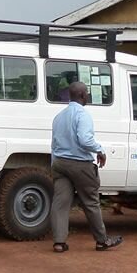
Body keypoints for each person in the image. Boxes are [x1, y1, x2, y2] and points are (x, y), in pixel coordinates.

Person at [49, 80, 122, 253]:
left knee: (60, 203)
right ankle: (102, 240)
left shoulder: (59, 116)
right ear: (82, 95)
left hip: (59, 163)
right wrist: (100, 150)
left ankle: (59, 242)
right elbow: (84, 139)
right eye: (87, 92)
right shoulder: (83, 115)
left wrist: (55, 164)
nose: (88, 95)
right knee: (91, 202)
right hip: (80, 164)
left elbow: (53, 143)